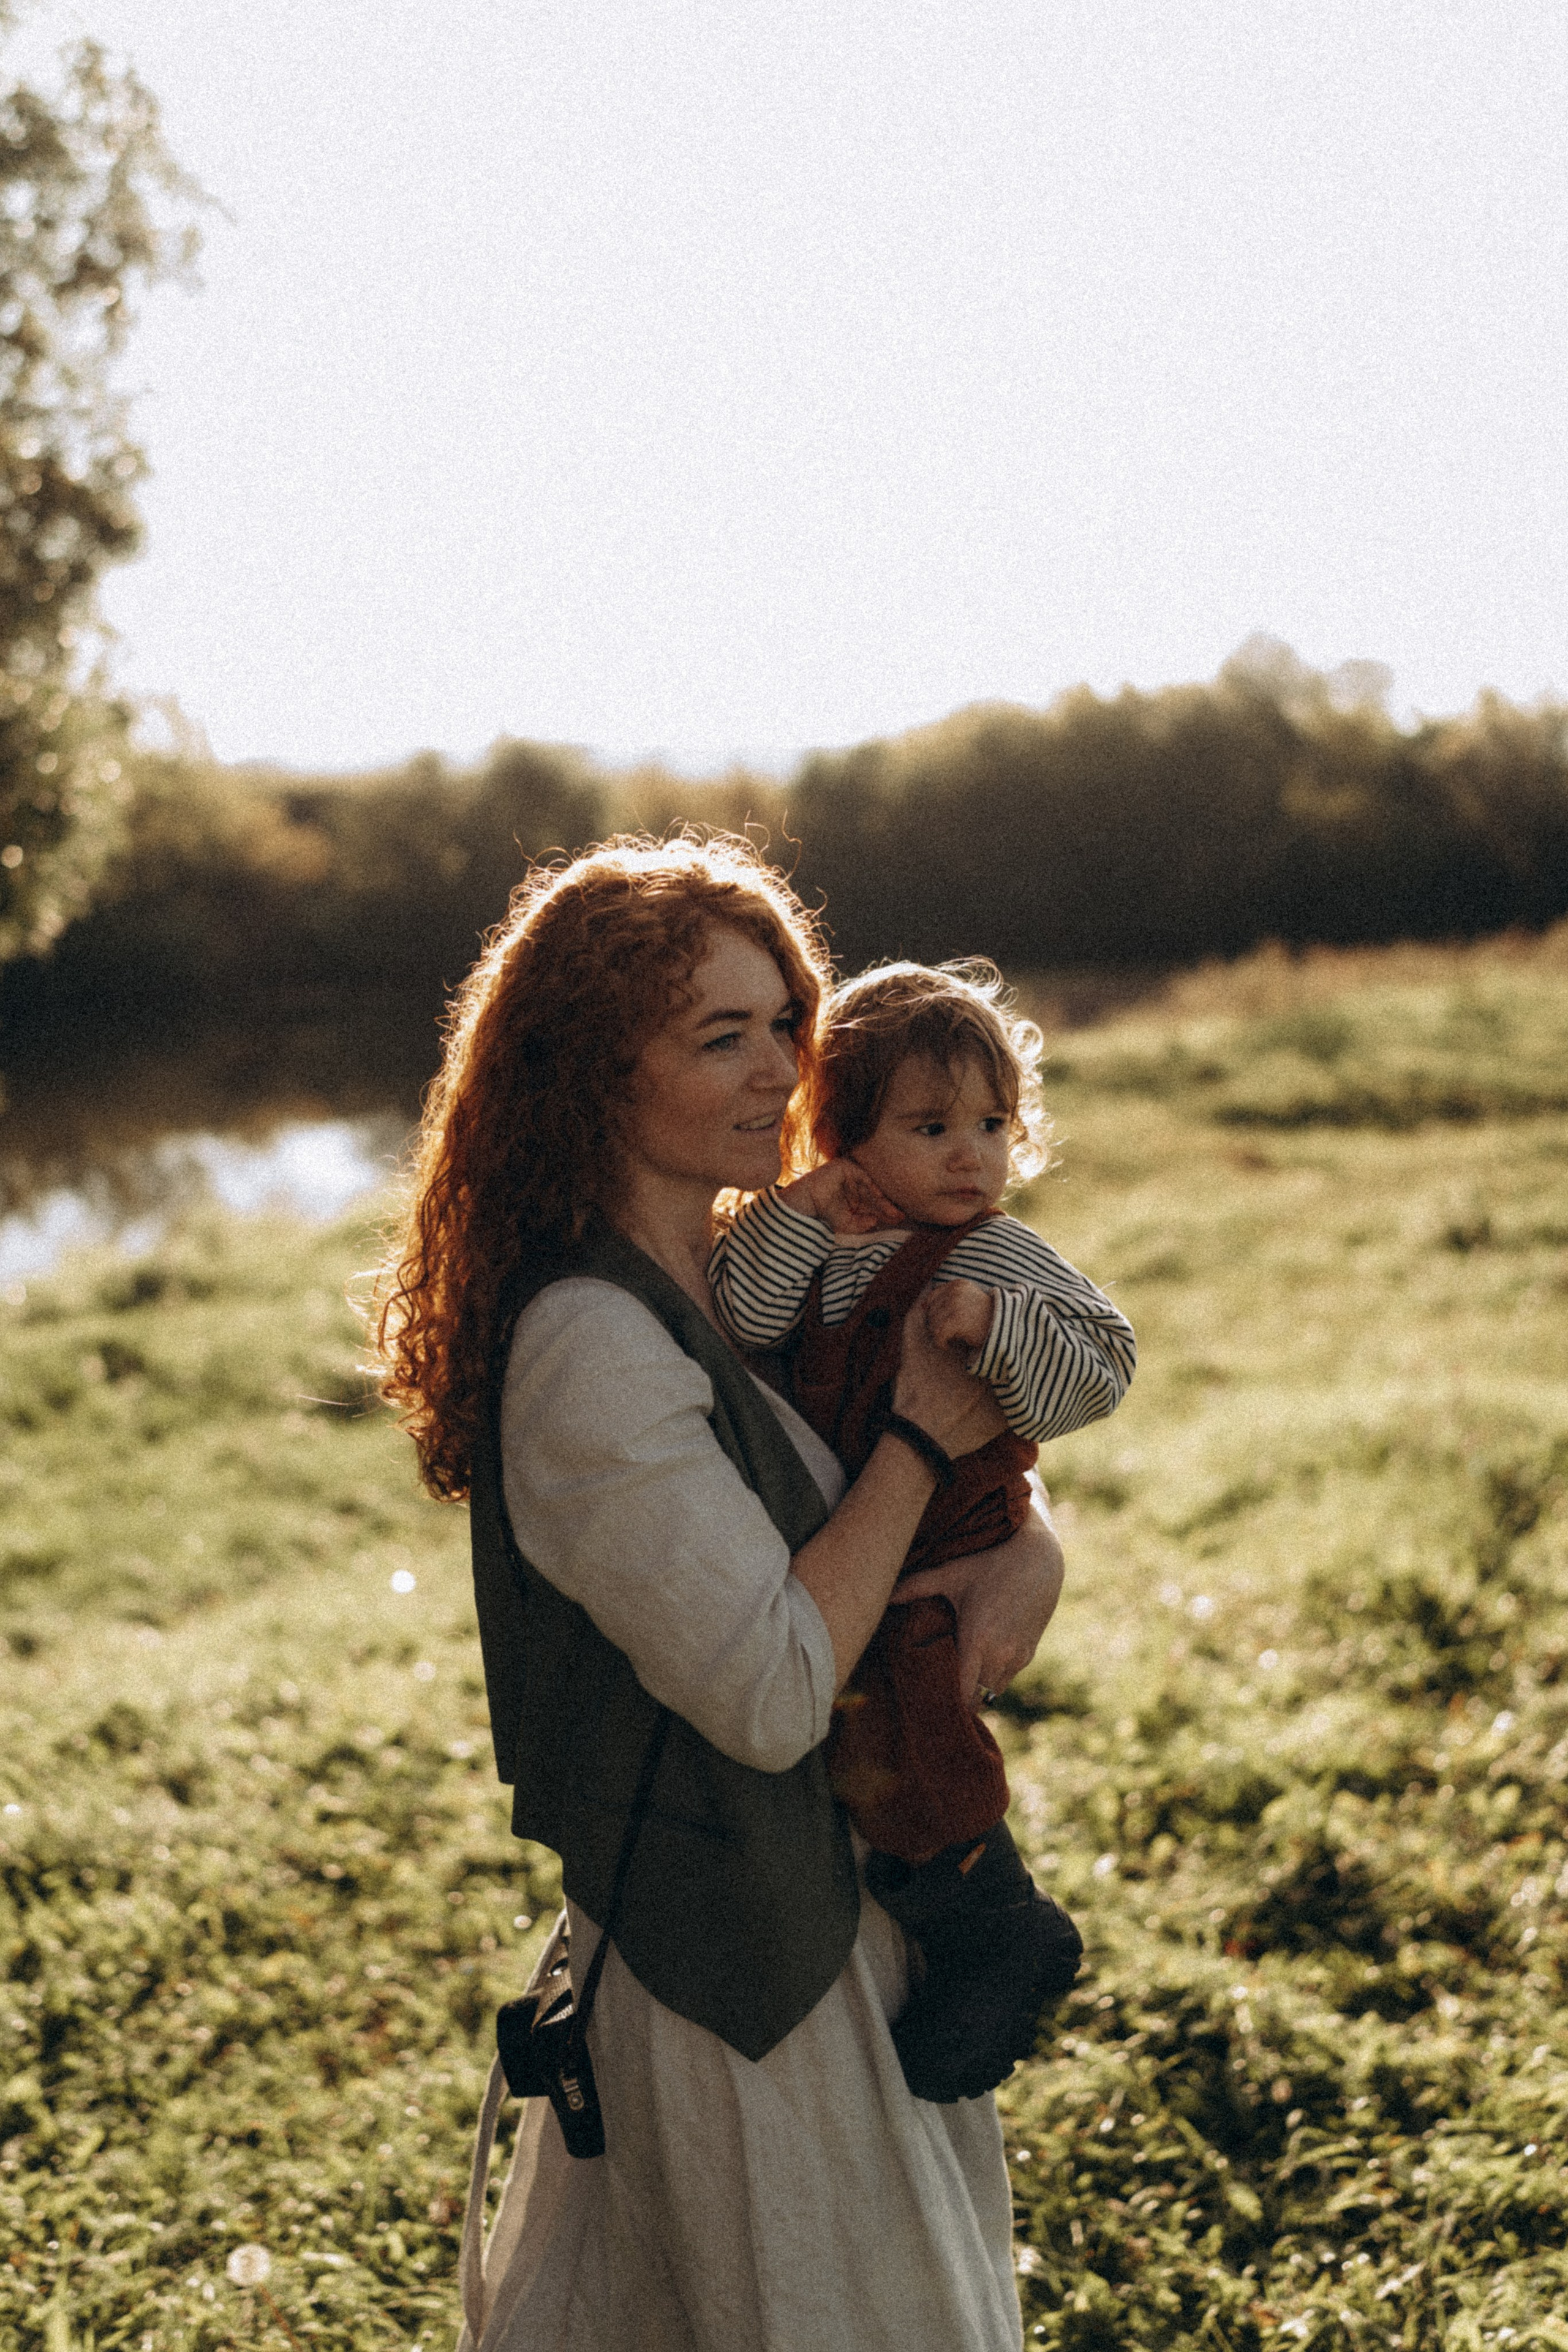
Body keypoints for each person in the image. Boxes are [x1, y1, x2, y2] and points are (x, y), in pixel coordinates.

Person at [375, 833, 1066, 2352]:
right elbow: (766, 1693)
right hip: (738, 1983)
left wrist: (1027, 1545)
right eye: (721, 1037)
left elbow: (921, 1495)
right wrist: (913, 1443)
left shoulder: (747, 1269)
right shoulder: (589, 1347)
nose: (779, 1070)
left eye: (782, 1024)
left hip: (842, 1931)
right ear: (595, 1074)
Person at [707, 960, 1135, 2103]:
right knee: (874, 1732)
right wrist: (804, 1207)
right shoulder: (821, 1241)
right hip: (877, 1533)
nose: (971, 1156)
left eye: (993, 1124)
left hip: (954, 1527)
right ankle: (973, 1909)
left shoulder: (996, 1252)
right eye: (931, 1125)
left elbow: (1105, 1365)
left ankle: (997, 1922)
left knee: (911, 1732)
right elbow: (742, 1312)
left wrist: (999, 1332)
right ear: (846, 1135)